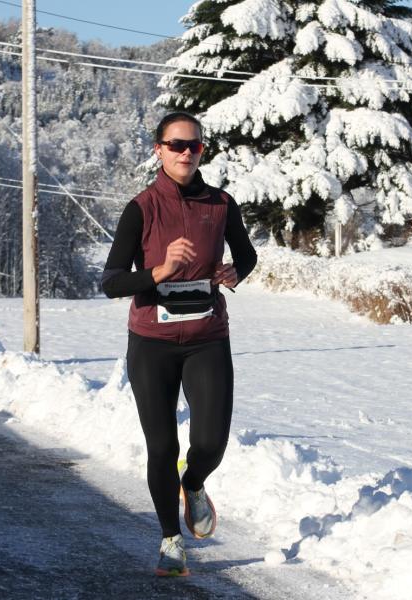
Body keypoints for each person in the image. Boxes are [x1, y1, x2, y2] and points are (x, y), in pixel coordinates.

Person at [101, 112, 257, 577]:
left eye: (194, 146)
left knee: (210, 440)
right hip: (152, 343)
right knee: (162, 446)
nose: (186, 153)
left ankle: (195, 482)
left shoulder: (222, 204)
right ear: (159, 150)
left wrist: (235, 271)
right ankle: (171, 539)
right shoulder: (142, 208)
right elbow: (111, 281)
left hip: (208, 337)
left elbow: (246, 252)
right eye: (176, 145)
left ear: (202, 150)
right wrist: (159, 273)